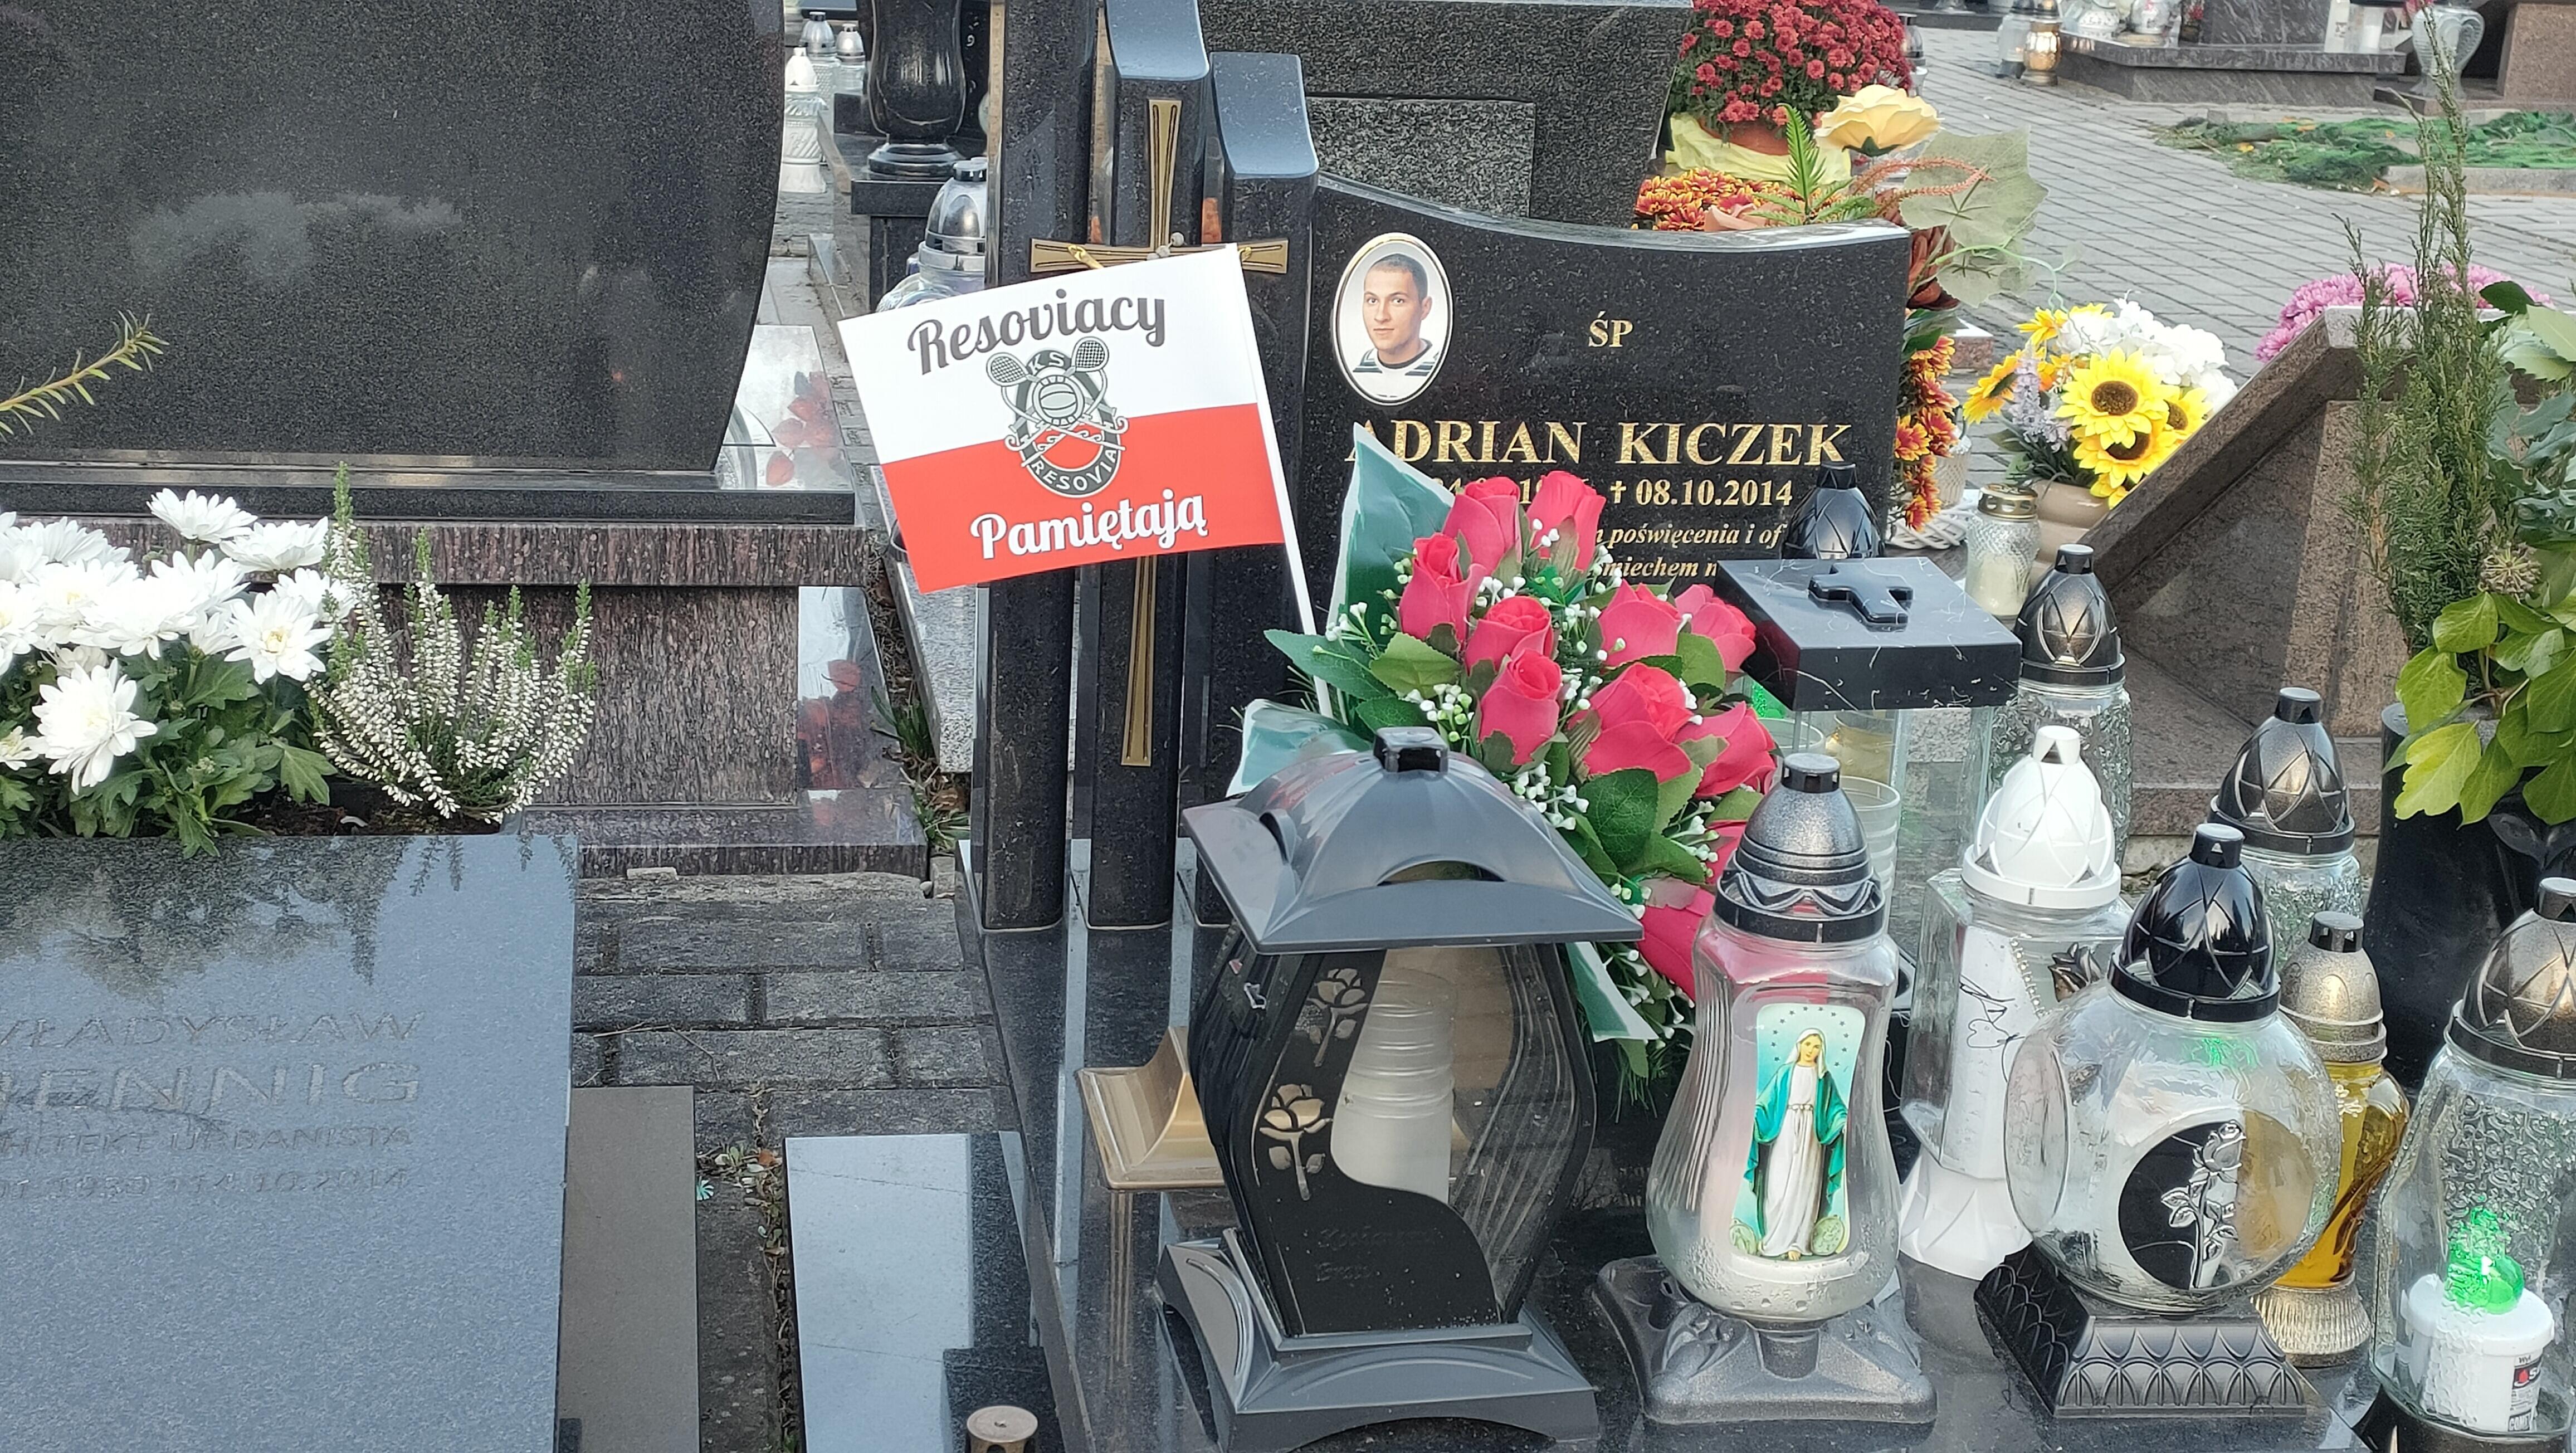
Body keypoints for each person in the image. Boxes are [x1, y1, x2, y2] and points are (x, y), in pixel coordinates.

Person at [1746, 1029, 1848, 1259]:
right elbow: (1765, 1103)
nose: (1811, 1050)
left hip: (1811, 1138)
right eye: (1808, 1044)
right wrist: (1753, 1115)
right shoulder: (1785, 1073)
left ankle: (1798, 1242)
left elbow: (1836, 1108)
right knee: (1778, 1185)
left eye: (1817, 1047)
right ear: (1800, 1045)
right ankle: (1774, 1238)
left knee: (1805, 1185)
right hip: (1785, 1132)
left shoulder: (1824, 1078)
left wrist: (1842, 1121)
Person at [1350, 252, 1440, 381]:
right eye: (1373, 301)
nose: (1381, 316)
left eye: (1398, 301)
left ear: (1425, 308)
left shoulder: (1443, 370)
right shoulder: (1358, 374)